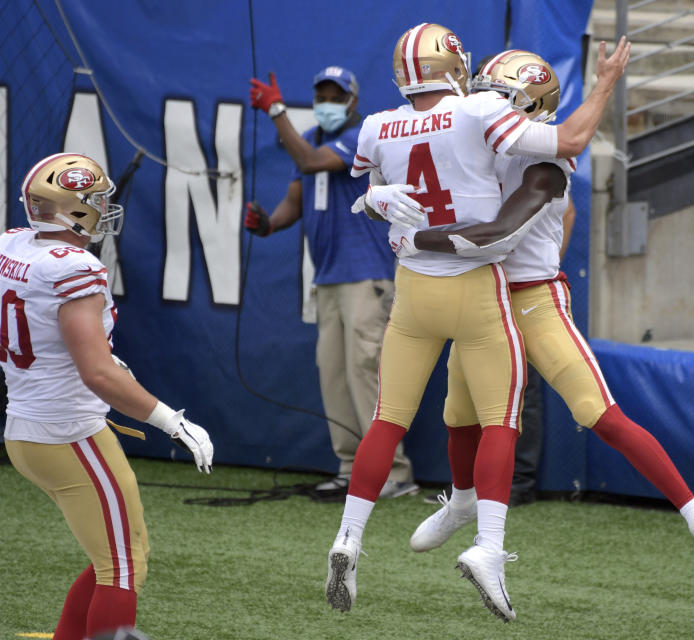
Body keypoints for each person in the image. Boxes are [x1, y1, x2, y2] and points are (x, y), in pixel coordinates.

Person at [323, 23, 629, 622]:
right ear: (454, 66)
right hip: (474, 282)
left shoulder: (376, 125)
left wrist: (377, 198)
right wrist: (604, 85)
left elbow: (375, 182)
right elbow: (568, 140)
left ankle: (348, 538)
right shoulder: (478, 109)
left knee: (387, 420)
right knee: (500, 420)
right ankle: (488, 546)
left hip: (413, 288)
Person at [396, 50, 694, 568]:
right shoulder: (479, 140)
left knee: (597, 412)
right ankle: (463, 501)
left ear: (531, 106)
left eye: (501, 96)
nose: (486, 103)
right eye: (484, 90)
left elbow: (500, 228)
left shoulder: (543, 159)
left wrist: (412, 239)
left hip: (533, 300)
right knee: (458, 415)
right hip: (482, 295)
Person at [3, 153, 214, 640]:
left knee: (117, 557)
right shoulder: (73, 267)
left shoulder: (11, 245)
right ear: (70, 207)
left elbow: (43, 336)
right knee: (122, 568)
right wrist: (171, 422)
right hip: (68, 432)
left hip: (28, 429)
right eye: (95, 200)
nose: (104, 207)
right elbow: (97, 372)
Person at [247, 66, 417, 498]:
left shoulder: (361, 137)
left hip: (367, 275)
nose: (326, 101)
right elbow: (293, 203)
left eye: (334, 94)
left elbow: (310, 161)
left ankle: (394, 474)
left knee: (365, 372)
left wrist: (276, 110)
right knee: (335, 374)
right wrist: (266, 224)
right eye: (320, 93)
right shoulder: (311, 136)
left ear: (352, 101)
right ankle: (350, 467)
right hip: (328, 278)